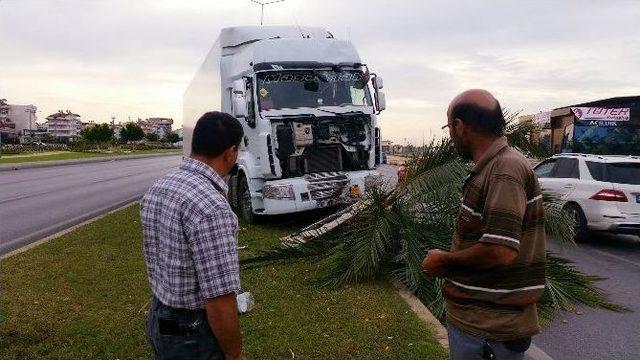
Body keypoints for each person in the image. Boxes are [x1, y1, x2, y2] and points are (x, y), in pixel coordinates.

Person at [422, 90, 546, 360]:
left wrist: (444, 262)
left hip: (488, 331)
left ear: (459, 126)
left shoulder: (504, 170)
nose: (451, 135)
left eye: (449, 127)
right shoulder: (495, 166)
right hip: (482, 326)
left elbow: (501, 251)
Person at [141, 111, 246, 360]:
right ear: (231, 152)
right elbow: (219, 299)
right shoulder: (211, 208)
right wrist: (235, 355)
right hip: (192, 335)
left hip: (160, 317)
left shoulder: (159, 188)